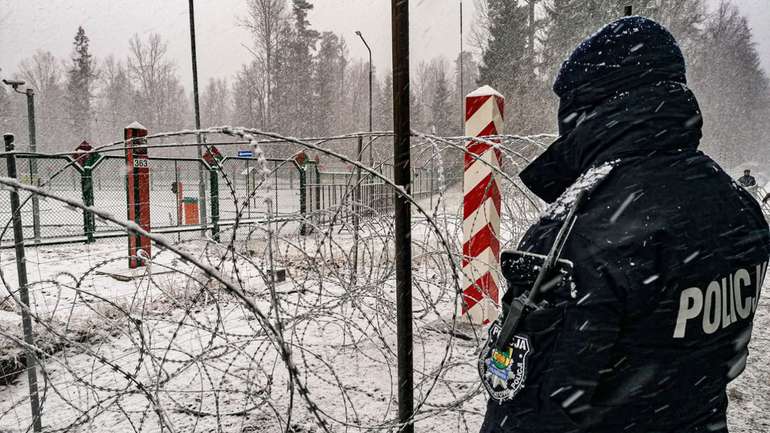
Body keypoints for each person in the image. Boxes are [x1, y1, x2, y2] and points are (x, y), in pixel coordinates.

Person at [479, 16, 770, 433]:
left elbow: (528, 413)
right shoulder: (737, 205)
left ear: (586, 109)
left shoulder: (580, 235)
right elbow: (723, 360)